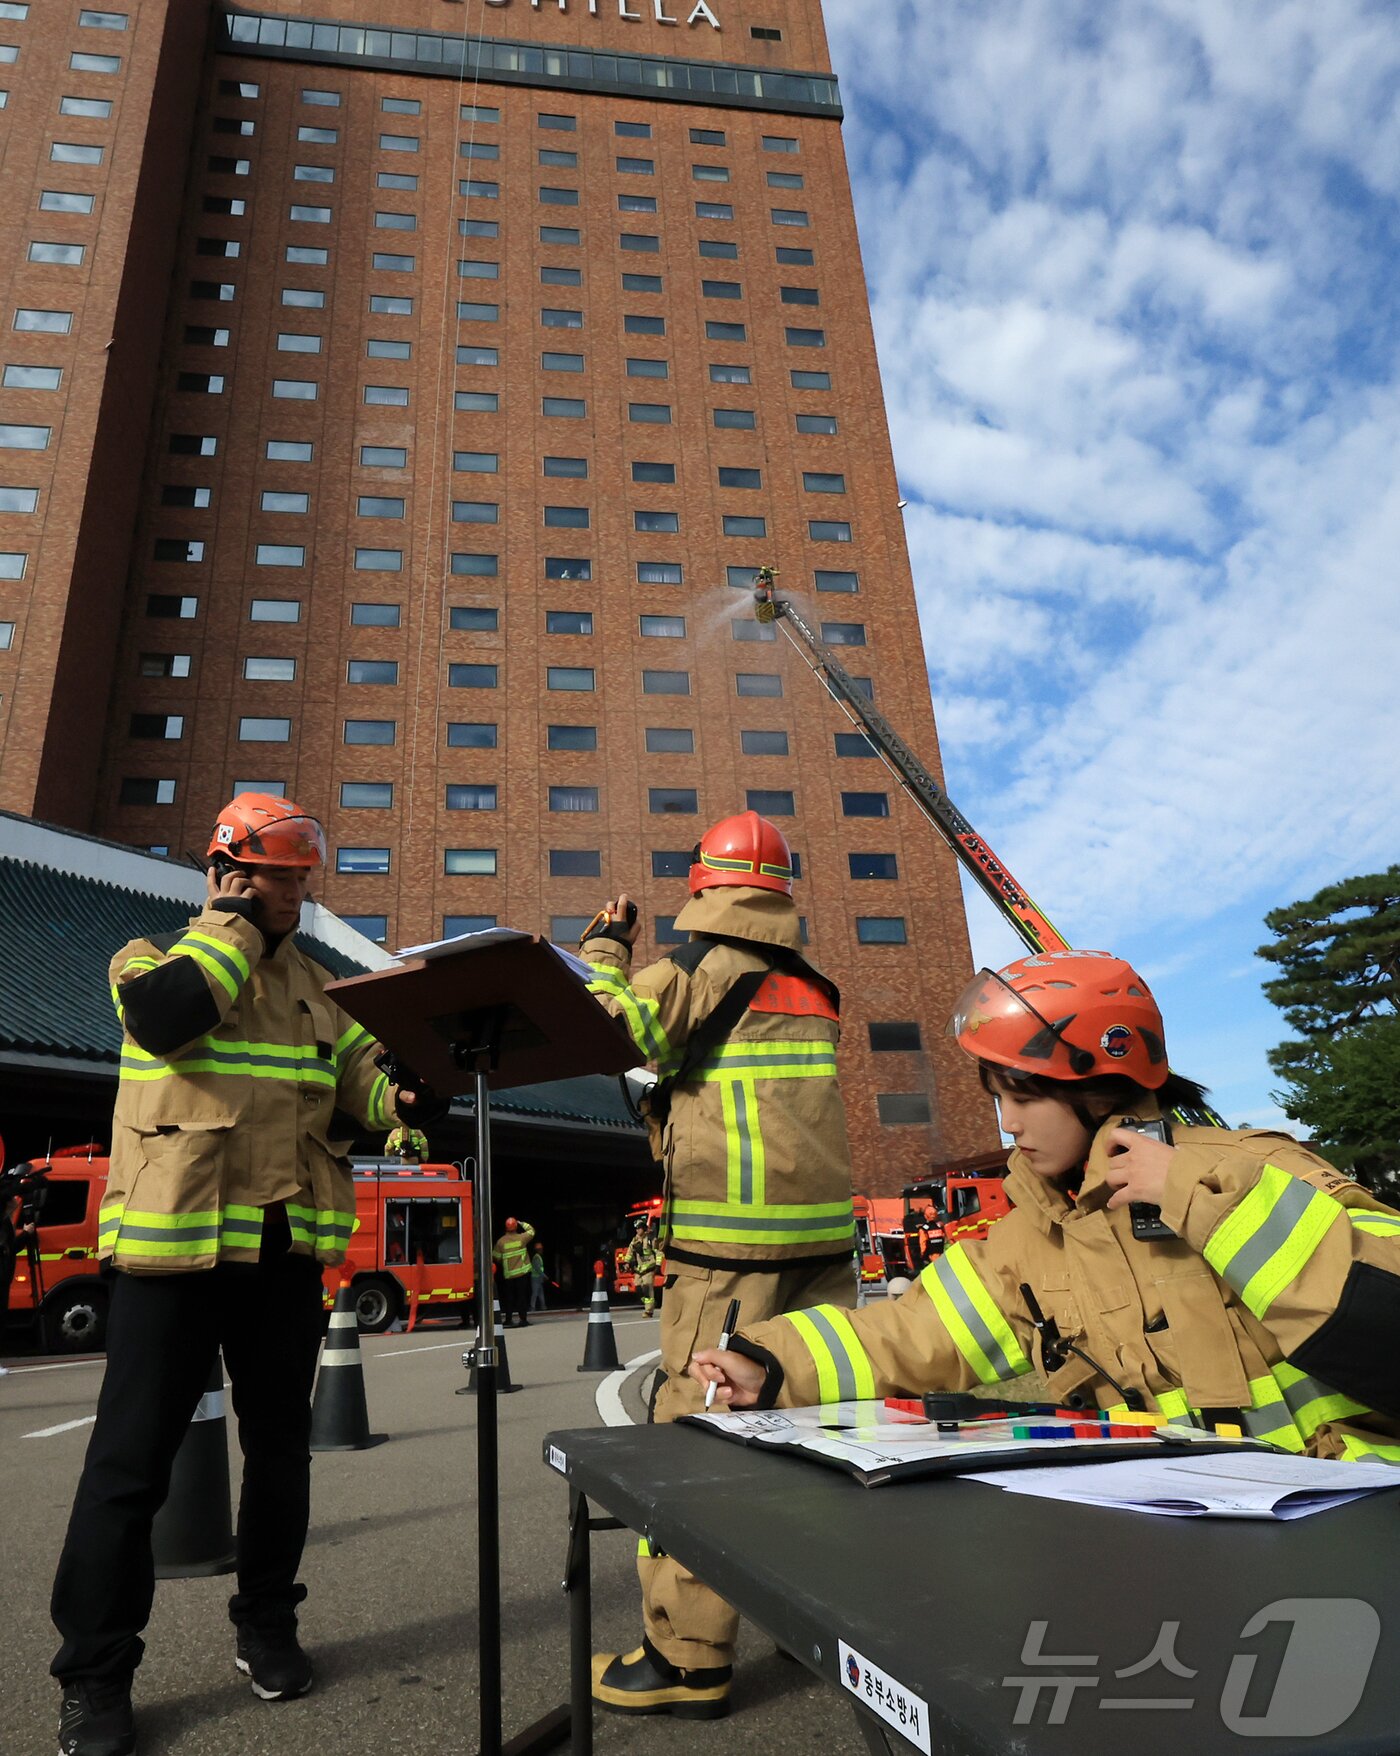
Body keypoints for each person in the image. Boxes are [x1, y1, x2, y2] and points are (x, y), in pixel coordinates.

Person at [49, 792, 444, 1756]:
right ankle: (95, 1677)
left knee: (279, 1456)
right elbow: (169, 1023)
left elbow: (365, 1099)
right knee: (127, 1469)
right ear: (228, 871)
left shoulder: (319, 989)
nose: (295, 896)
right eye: (278, 878)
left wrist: (411, 1088)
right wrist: (229, 927)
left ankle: (266, 1624)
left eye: (303, 880)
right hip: (173, 1256)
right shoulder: (153, 958)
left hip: (281, 1257)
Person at [692, 950, 1400, 1467]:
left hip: (1354, 1517)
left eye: (1024, 1097)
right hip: (1183, 1530)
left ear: (1101, 1089)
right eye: (999, 1098)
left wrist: (1205, 1205)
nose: (1008, 1125)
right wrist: (768, 1363)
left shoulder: (1256, 1170)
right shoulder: (1029, 1240)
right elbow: (908, 1335)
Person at [582, 810, 856, 1718]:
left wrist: (607, 953)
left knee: (697, 1440)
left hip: (727, 1256)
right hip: (821, 1245)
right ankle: (811, 1614)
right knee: (815, 1424)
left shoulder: (698, 968)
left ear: (704, 884)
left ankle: (688, 1657)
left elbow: (604, 1034)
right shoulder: (813, 985)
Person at [493, 1216, 535, 1327]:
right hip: (522, 1273)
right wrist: (522, 1222)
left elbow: (496, 1257)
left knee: (509, 1298)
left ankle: (508, 1320)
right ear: (516, 1226)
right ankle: (523, 1319)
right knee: (522, 1297)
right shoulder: (522, 1238)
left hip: (509, 1275)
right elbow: (531, 1231)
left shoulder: (500, 1242)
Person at [625, 1218, 663, 1318]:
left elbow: (659, 1252)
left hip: (649, 1269)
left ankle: (648, 1311)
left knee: (647, 1288)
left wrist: (658, 1265)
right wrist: (627, 1263)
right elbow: (629, 1252)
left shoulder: (651, 1239)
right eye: (636, 1229)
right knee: (638, 1288)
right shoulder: (634, 1240)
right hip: (639, 1269)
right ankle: (650, 1303)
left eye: (639, 1228)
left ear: (643, 1228)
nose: (637, 1230)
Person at [528, 1244, 548, 1313]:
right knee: (535, 1293)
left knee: (540, 1293)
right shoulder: (536, 1258)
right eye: (540, 1249)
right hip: (535, 1278)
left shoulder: (538, 1257)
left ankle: (543, 1306)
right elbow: (538, 1269)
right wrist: (544, 1276)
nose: (542, 1250)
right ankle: (532, 1307)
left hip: (539, 1278)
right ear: (538, 1250)